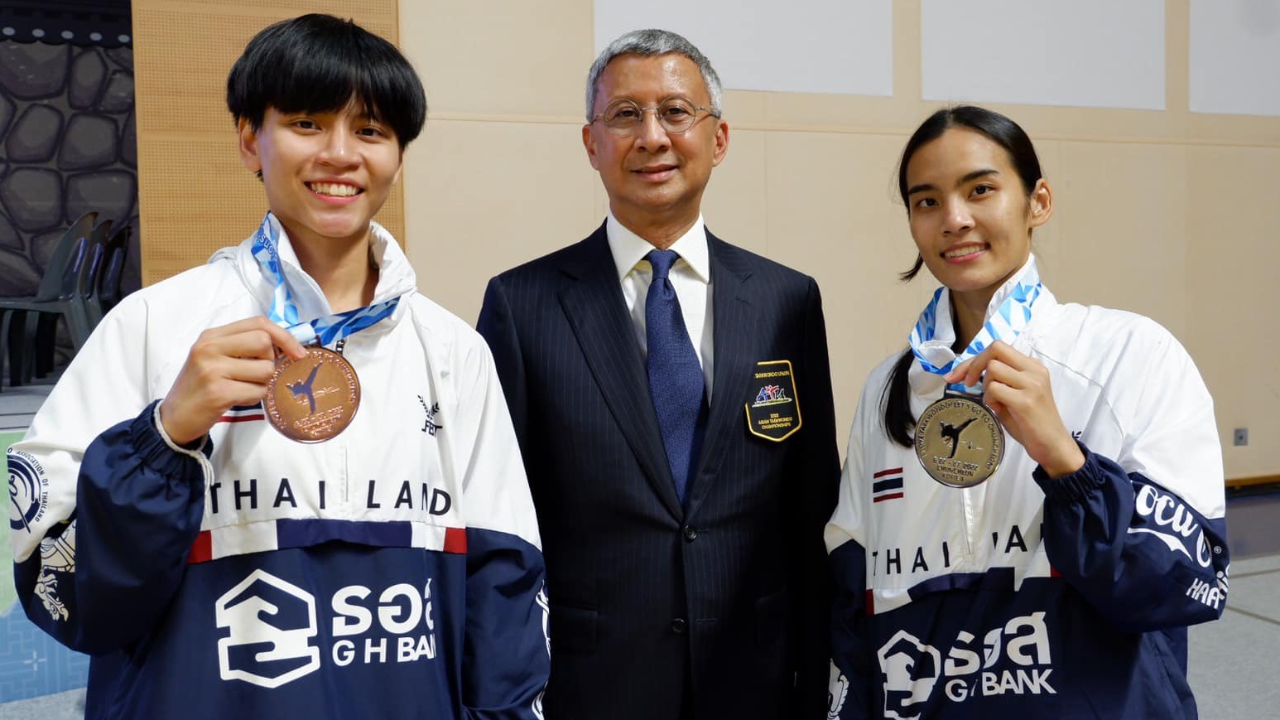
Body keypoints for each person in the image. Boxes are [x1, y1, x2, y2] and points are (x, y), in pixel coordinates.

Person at [8, 14, 548, 719]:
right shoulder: (152, 328)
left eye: (371, 131)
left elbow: (504, 587)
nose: (340, 154)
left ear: (398, 156)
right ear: (248, 140)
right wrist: (164, 437)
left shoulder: (452, 352)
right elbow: (66, 597)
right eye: (306, 123)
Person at [477, 28, 840, 720]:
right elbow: (500, 522)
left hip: (756, 682)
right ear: (591, 143)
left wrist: (815, 681)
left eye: (675, 112)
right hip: (589, 687)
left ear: (719, 138)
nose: (651, 137)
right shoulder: (521, 306)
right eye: (625, 115)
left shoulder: (786, 300)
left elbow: (810, 507)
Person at [824, 105, 1229, 719]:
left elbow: (1179, 587)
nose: (954, 219)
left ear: (1038, 201)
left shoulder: (1130, 354)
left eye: (980, 190)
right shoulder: (889, 388)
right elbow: (854, 596)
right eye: (927, 201)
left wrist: (1068, 463)